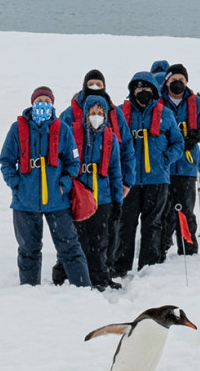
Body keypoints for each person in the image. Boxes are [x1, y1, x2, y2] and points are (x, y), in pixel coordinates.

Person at [0, 87, 91, 287]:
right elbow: (6, 161)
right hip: (25, 202)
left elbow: (73, 163)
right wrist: (16, 185)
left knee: (70, 247)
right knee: (28, 250)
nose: (43, 104)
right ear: (32, 103)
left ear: (53, 104)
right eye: (39, 100)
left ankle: (83, 289)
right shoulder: (17, 129)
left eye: (47, 101)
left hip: (57, 201)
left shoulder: (63, 129)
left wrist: (63, 186)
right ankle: (29, 292)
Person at [53, 93, 127, 289]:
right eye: (92, 112)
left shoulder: (110, 138)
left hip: (102, 197)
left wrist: (117, 200)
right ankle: (65, 276)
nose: (96, 115)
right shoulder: (71, 134)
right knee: (74, 238)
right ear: (85, 114)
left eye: (100, 112)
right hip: (77, 195)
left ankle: (99, 279)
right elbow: (64, 162)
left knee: (99, 241)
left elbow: (115, 172)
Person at [112, 70, 183, 276]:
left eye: (146, 87)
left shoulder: (166, 113)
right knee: (126, 224)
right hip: (130, 180)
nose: (142, 91)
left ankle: (148, 267)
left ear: (153, 90)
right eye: (137, 87)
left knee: (153, 224)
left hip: (157, 179)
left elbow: (178, 142)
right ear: (132, 91)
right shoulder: (120, 114)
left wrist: (165, 159)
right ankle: (120, 266)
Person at [161, 64, 200, 256]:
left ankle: (188, 251)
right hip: (163, 166)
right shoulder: (158, 103)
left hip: (187, 165)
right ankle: (162, 250)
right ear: (166, 82)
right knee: (164, 212)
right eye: (173, 80)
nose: (177, 83)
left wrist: (199, 135)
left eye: (181, 80)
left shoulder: (196, 104)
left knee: (185, 211)